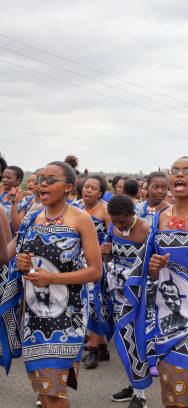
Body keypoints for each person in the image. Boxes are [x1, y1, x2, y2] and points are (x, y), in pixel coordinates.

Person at [115, 156, 188, 408]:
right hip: (166, 321)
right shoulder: (161, 217)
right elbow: (154, 274)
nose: (178, 174)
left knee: (187, 395)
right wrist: (153, 268)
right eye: (174, 170)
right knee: (171, 397)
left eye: (186, 171)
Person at [0, 161, 102, 408]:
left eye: (51, 179)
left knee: (54, 393)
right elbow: (7, 255)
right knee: (44, 391)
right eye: (41, 179)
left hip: (67, 316)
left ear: (68, 187)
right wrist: (22, 263)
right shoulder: (32, 217)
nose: (43, 183)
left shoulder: (81, 219)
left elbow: (95, 271)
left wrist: (51, 278)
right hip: (34, 315)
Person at [102, 194, 150, 408]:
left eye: (123, 221)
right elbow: (109, 257)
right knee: (122, 342)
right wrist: (106, 253)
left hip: (139, 294)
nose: (119, 226)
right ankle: (133, 385)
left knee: (135, 342)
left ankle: (140, 394)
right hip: (116, 291)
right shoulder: (113, 228)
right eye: (115, 221)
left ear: (133, 214)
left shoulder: (146, 229)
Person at [76, 174, 112, 369]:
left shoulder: (105, 212)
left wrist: (107, 247)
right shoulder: (76, 208)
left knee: (95, 305)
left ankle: (95, 349)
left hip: (96, 264)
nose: (88, 190)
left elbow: (112, 237)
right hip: (76, 264)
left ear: (100, 193)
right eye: (86, 187)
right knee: (83, 304)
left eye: (93, 188)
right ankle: (103, 347)